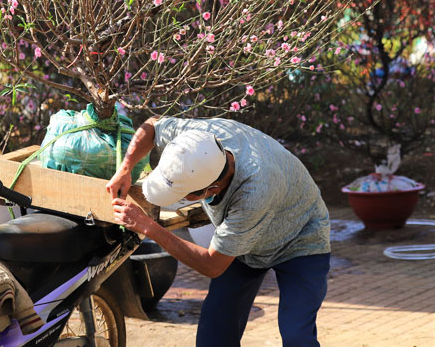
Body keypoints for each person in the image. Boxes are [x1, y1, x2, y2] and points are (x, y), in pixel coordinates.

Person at [107, 116, 331, 347]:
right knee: (213, 336)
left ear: (212, 188)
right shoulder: (199, 140)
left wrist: (147, 226)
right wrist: (126, 168)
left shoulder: (253, 194)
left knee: (297, 336)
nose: (180, 200)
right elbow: (152, 125)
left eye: (184, 195)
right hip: (247, 245)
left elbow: (212, 265)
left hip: (300, 239)